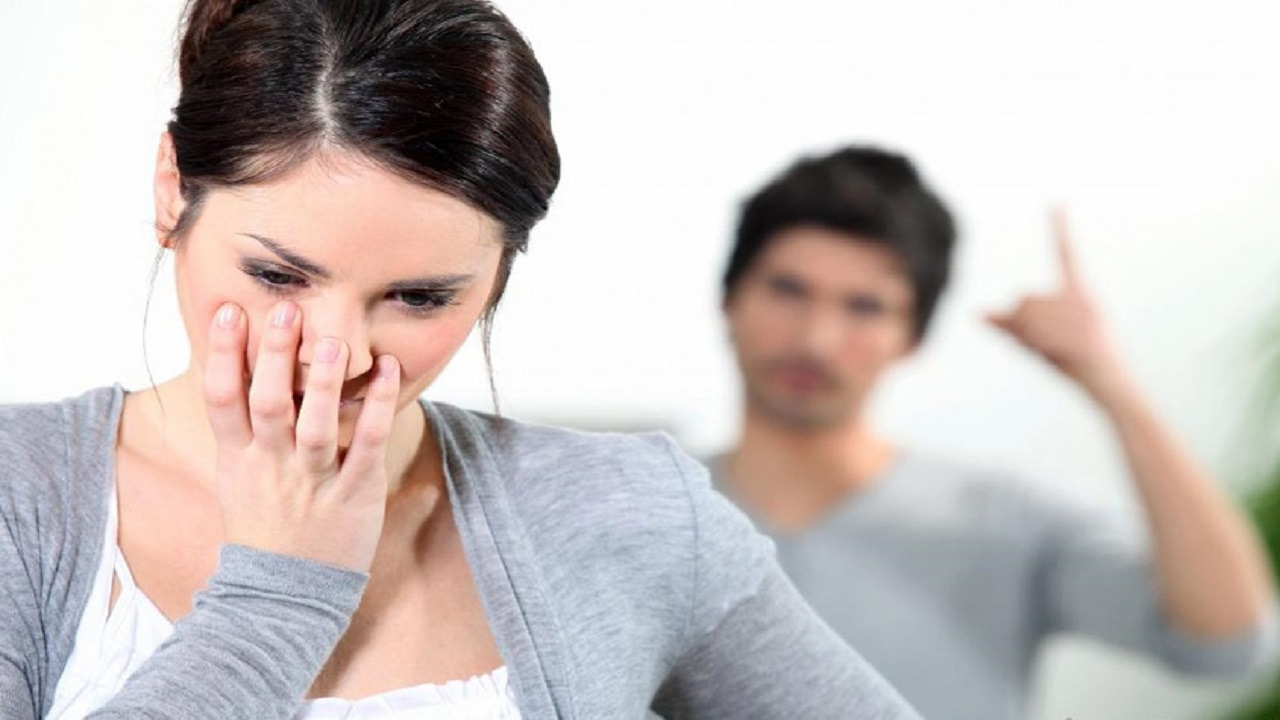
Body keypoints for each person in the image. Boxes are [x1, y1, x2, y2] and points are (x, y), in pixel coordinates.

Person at [0, 4, 921, 719]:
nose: (337, 355)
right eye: (279, 276)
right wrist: (279, 595)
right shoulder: (19, 495)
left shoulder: (627, 516)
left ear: (499, 273)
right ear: (172, 191)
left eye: (419, 297)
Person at [709, 145, 1279, 720]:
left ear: (913, 336)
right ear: (731, 299)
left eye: (865, 307)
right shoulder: (663, 510)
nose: (816, 340)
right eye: (788, 290)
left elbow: (1228, 643)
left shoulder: (1005, 520)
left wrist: (1110, 383)